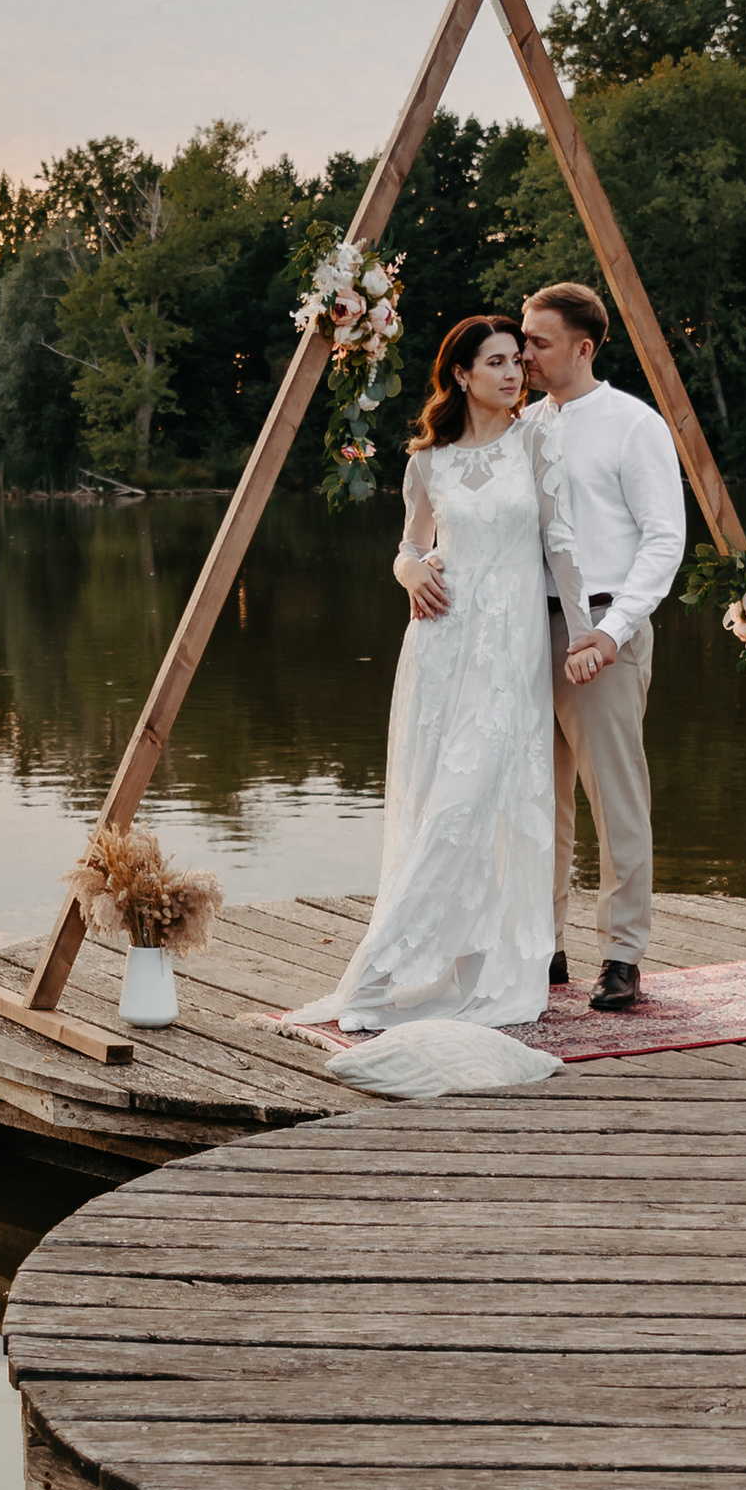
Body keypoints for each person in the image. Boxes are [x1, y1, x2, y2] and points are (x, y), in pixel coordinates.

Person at [287, 315, 591, 1034]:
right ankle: (398, 968)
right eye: (496, 362)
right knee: (441, 809)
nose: (514, 373)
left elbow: (564, 546)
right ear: (461, 374)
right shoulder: (428, 460)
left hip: (511, 656)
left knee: (478, 806)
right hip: (441, 647)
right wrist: (409, 572)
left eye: (517, 360)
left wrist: (587, 636)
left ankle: (444, 968)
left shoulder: (537, 441)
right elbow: (409, 544)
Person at [519, 283, 688, 1013]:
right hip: (526, 630)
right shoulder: (519, 425)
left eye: (539, 341)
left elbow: (664, 539)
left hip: (602, 627)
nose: (523, 352)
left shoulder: (632, 425)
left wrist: (613, 632)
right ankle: (542, 945)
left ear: (584, 348)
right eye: (522, 339)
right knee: (536, 798)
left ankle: (622, 954)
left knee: (615, 796)